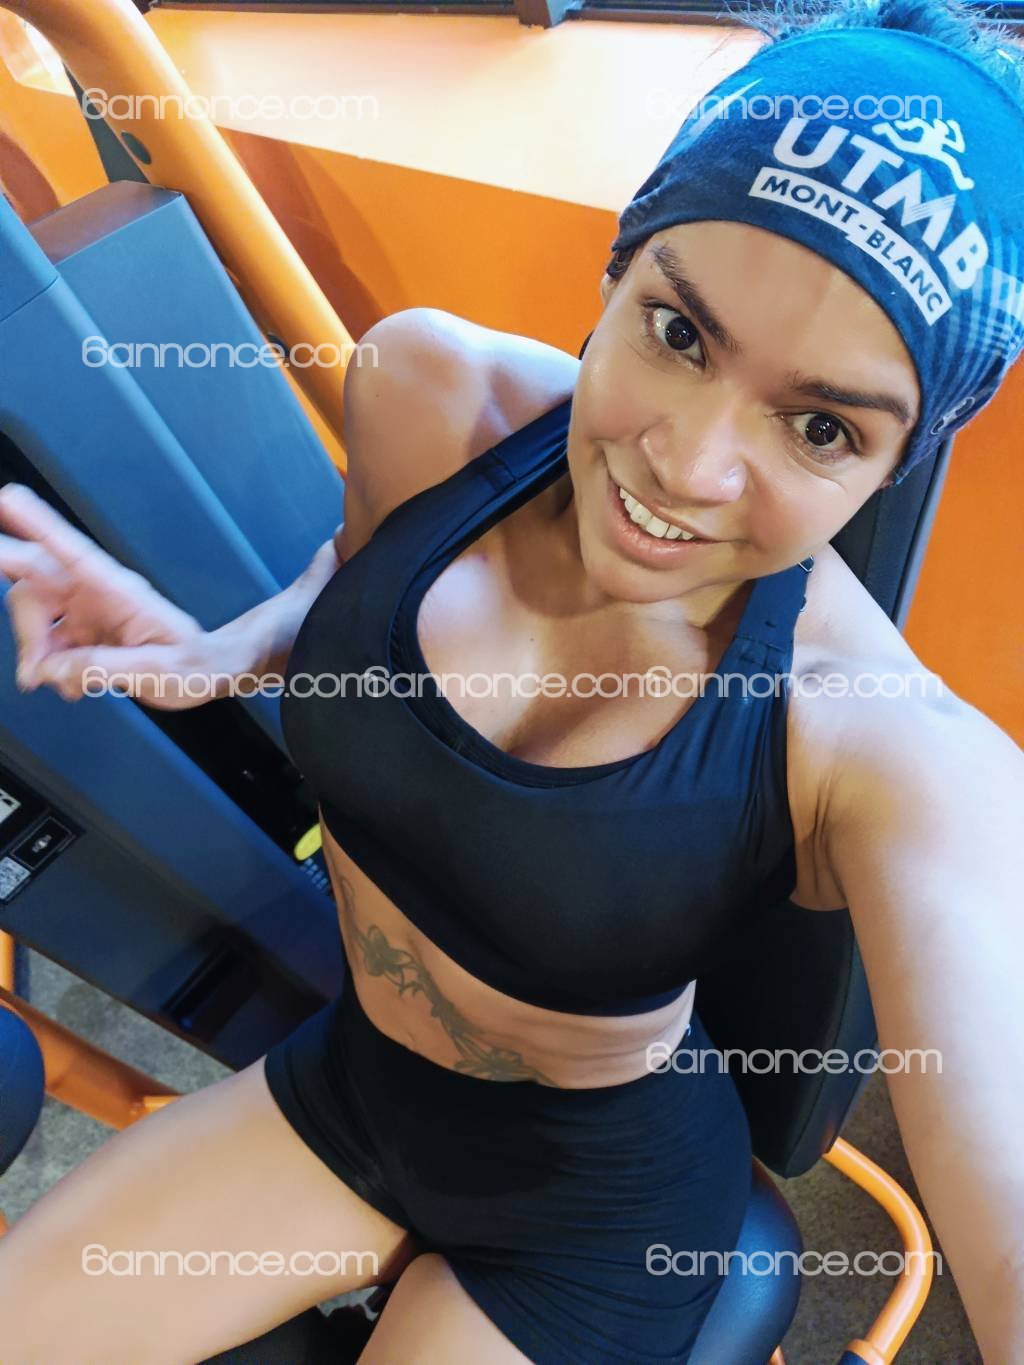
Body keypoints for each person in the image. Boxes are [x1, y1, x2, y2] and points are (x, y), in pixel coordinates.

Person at [1, 0, 1023, 1360]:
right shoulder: (428, 396)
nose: (687, 464)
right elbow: (353, 587)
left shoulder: (887, 746)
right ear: (621, 268)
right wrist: (219, 649)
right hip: (354, 1090)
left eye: (822, 426)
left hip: (598, 1214)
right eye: (678, 333)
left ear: (898, 459)